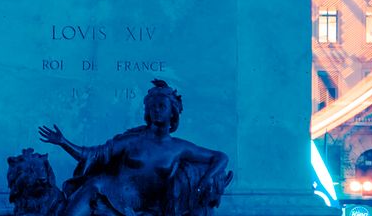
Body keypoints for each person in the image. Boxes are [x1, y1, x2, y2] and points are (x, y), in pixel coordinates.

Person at [37, 79, 230, 216]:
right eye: (152, 106)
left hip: (147, 204)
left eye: (161, 106)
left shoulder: (179, 148)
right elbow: (94, 155)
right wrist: (63, 142)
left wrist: (206, 180)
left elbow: (221, 157)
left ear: (173, 113)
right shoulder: (133, 140)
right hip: (109, 191)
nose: (155, 109)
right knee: (94, 185)